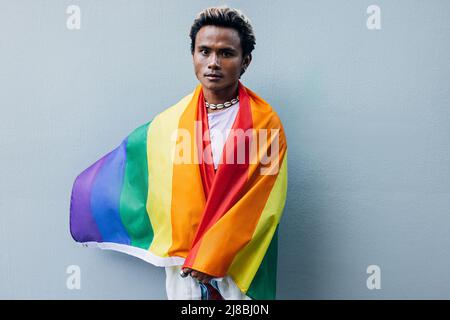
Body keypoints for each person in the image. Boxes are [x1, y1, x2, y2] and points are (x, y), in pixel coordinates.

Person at [70, 5, 288, 300]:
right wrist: (87, 198)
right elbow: (135, 170)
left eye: (226, 53)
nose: (213, 62)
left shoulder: (265, 124)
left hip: (240, 269)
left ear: (245, 61)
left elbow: (262, 204)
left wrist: (212, 255)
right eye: (205, 51)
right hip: (184, 272)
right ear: (193, 56)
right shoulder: (170, 123)